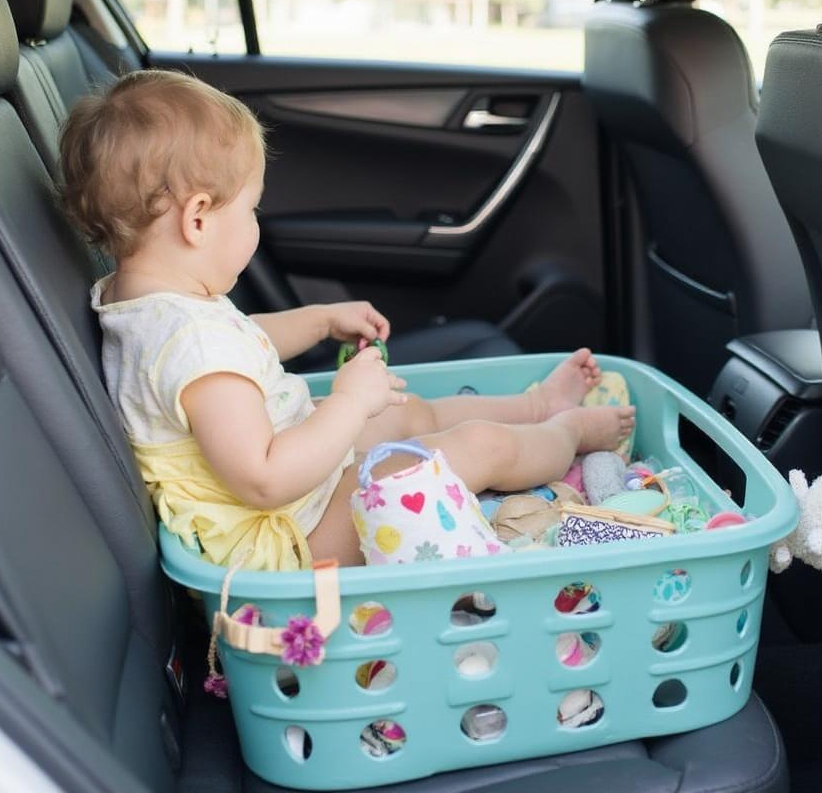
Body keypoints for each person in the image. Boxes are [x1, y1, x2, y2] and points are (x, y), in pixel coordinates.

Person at [58, 70, 635, 570]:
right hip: (294, 540)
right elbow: (264, 479)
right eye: (252, 208)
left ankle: (537, 407)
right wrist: (349, 402)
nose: (255, 224)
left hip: (305, 492)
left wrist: (316, 320)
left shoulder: (145, 307)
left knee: (406, 410)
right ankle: (571, 434)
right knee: (474, 446)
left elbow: (240, 344)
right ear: (199, 219)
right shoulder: (193, 347)